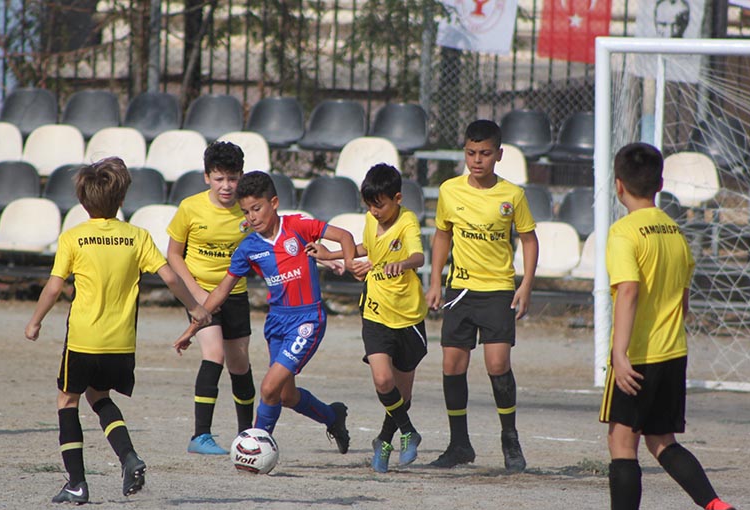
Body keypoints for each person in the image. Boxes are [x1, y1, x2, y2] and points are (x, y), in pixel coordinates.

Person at [24, 157, 210, 505]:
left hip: (83, 340)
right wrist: (196, 308)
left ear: (82, 201)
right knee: (99, 396)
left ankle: (77, 483)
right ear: (121, 200)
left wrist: (35, 322)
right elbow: (169, 275)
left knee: (68, 400)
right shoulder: (136, 237)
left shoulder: (74, 238)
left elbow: (53, 287)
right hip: (121, 344)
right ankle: (128, 457)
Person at [173, 170, 355, 454]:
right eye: (245, 212)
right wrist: (192, 329)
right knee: (285, 394)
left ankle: (253, 448)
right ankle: (333, 417)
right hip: (277, 323)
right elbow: (221, 291)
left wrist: (350, 262)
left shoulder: (298, 225)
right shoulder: (249, 247)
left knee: (269, 387)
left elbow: (344, 236)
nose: (251, 217)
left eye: (257, 209)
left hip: (307, 318)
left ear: (274, 202)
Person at [600, 143, 735, 510]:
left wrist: (619, 353)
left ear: (618, 186)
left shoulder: (624, 232)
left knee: (622, 446)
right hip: (673, 352)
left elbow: (628, 291)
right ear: (660, 184)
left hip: (638, 355)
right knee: (662, 441)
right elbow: (684, 302)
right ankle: (716, 504)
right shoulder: (676, 233)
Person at [425, 119, 538, 471]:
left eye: (485, 153)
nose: (478, 160)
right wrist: (434, 282)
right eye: (472, 153)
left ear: (498, 154)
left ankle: (510, 438)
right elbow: (442, 235)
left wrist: (526, 284)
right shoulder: (450, 190)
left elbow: (529, 239)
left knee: (497, 364)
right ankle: (459, 444)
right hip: (460, 290)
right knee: (451, 365)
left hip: (499, 291)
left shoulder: (512, 195)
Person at [307, 164, 427, 473]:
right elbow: (367, 249)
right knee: (382, 379)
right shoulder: (369, 220)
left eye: (380, 204)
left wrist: (402, 264)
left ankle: (385, 441)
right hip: (375, 311)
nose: (374, 211)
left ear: (397, 198)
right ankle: (410, 432)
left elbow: (418, 256)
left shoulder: (407, 221)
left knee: (403, 394)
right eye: (369, 205)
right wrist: (330, 253)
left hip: (409, 316)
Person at [166, 141, 255, 455]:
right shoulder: (190, 208)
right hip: (200, 295)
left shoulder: (249, 210)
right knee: (214, 353)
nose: (226, 186)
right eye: (219, 178)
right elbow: (173, 255)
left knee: (240, 363)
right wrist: (196, 292)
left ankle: (248, 437)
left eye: (232, 178)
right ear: (207, 177)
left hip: (235, 294)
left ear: (241, 177)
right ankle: (200, 436)